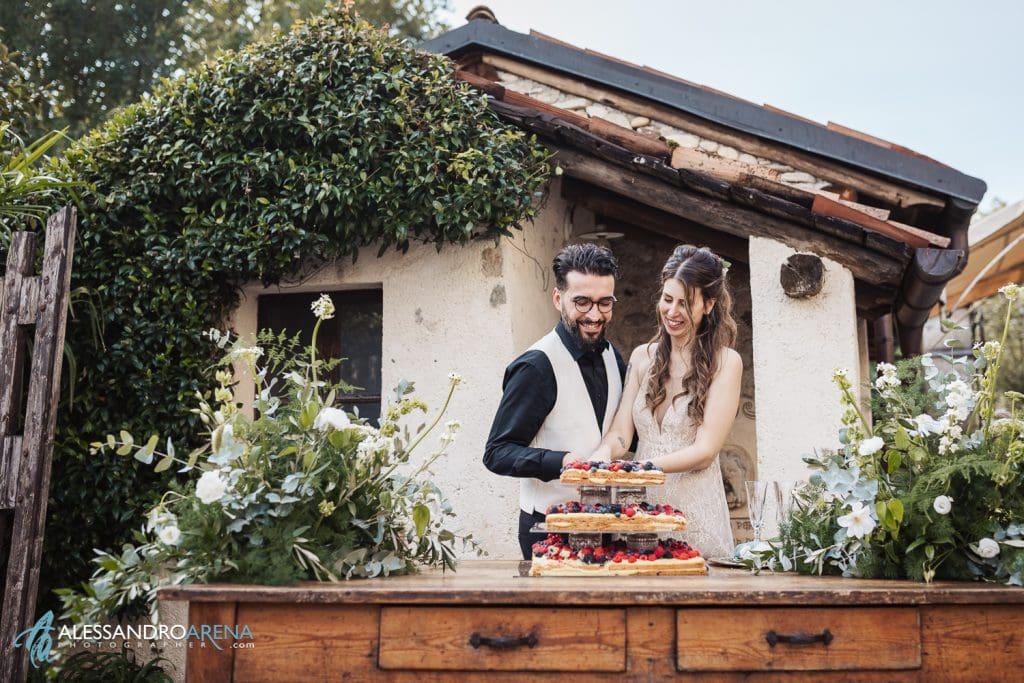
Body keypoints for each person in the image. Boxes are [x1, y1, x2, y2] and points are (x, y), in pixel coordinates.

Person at [590, 245, 742, 558]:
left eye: (684, 303)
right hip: (639, 515)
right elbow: (621, 433)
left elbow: (705, 452)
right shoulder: (641, 358)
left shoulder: (726, 363)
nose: (672, 312)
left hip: (694, 515)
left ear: (709, 304)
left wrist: (639, 469)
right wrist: (602, 456)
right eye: (667, 299)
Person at [484, 243, 627, 559]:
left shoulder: (613, 357)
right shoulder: (536, 366)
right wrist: (559, 461)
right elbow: (497, 453)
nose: (594, 314)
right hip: (549, 527)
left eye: (605, 302)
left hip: (606, 526)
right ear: (558, 298)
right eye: (582, 302)